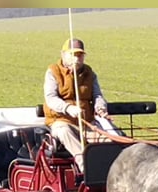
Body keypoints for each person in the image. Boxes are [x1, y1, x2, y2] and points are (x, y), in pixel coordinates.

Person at [43, 38, 109, 172]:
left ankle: (110, 168)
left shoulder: (89, 73)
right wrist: (67, 108)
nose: (77, 58)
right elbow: (51, 98)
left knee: (108, 140)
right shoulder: (53, 71)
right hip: (61, 121)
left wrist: (100, 108)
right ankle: (86, 166)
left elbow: (97, 95)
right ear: (63, 54)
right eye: (73, 54)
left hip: (86, 122)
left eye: (80, 55)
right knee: (64, 131)